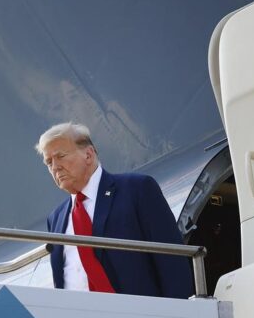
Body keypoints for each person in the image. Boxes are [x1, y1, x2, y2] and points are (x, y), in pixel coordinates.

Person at [35, 122, 193, 299]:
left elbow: (173, 263)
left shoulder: (137, 189)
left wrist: (178, 317)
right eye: (49, 162)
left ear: (88, 154)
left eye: (61, 156)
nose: (55, 167)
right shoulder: (56, 218)